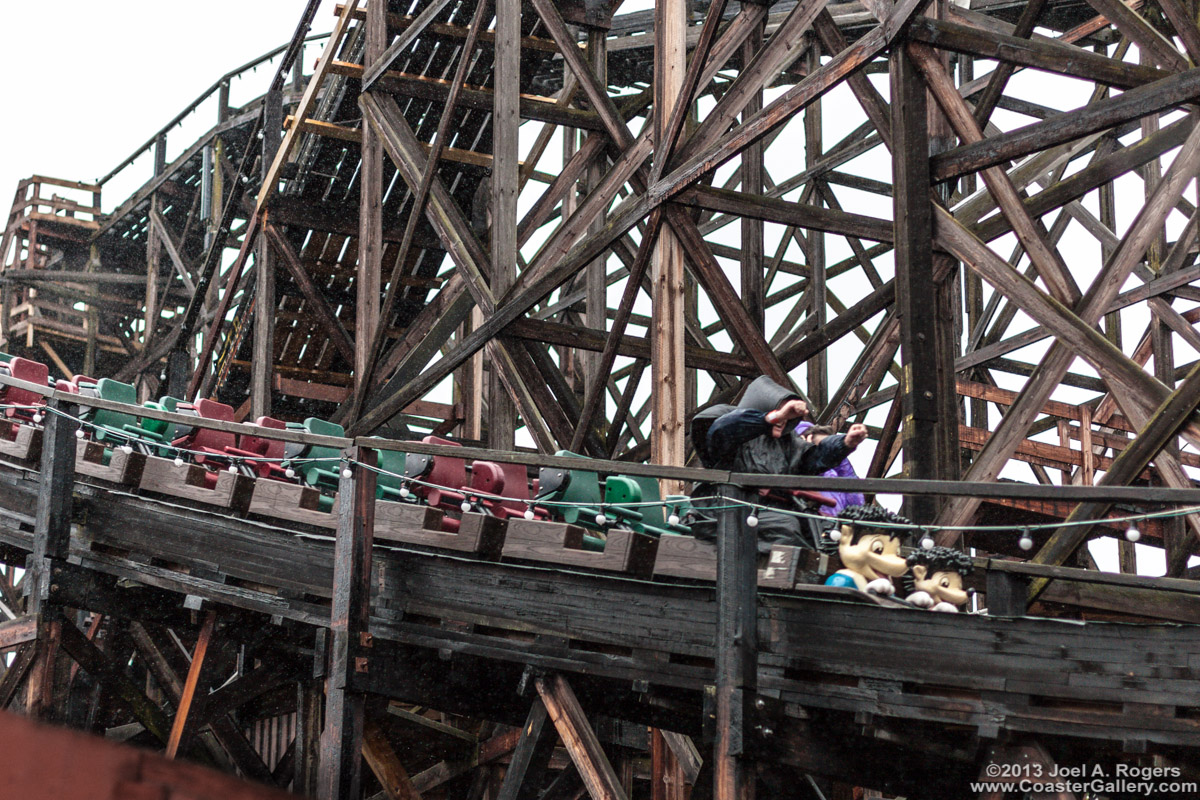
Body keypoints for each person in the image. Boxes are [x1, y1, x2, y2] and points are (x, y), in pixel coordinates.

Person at [688, 376, 869, 551]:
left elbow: (813, 457)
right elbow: (725, 428)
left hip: (769, 510)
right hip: (726, 509)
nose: (784, 420)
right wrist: (771, 418)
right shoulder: (728, 429)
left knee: (829, 531)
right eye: (781, 413)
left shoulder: (787, 442)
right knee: (786, 526)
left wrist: (845, 443)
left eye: (789, 416)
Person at [794, 422, 865, 517]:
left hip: (833, 526)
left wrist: (842, 461)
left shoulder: (836, 474)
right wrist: (805, 449)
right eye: (822, 446)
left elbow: (857, 507)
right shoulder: (795, 464)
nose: (826, 451)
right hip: (810, 523)